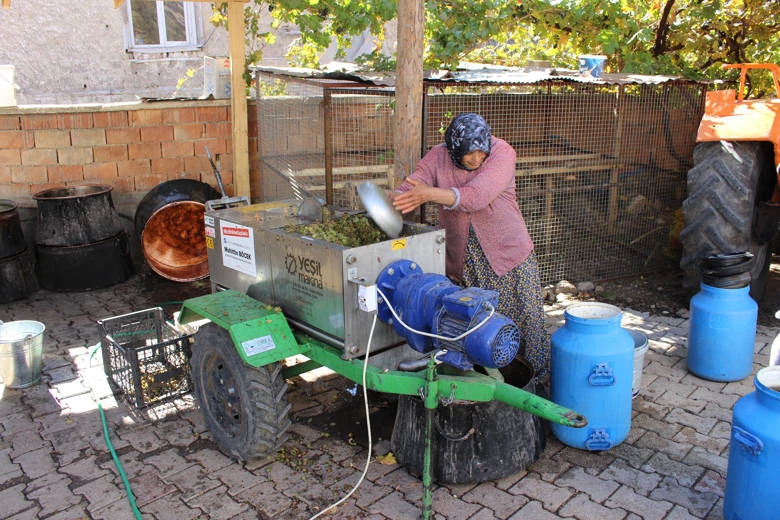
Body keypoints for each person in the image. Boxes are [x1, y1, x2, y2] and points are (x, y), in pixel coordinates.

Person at [391, 113, 550, 382]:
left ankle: (535, 383)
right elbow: (415, 184)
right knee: (475, 325)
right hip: (465, 260)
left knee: (525, 321)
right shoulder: (438, 156)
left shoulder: (502, 153)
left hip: (507, 256)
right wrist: (394, 198)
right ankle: (484, 383)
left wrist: (429, 194)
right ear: (454, 149)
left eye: (481, 152)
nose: (476, 159)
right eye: (469, 154)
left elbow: (477, 196)